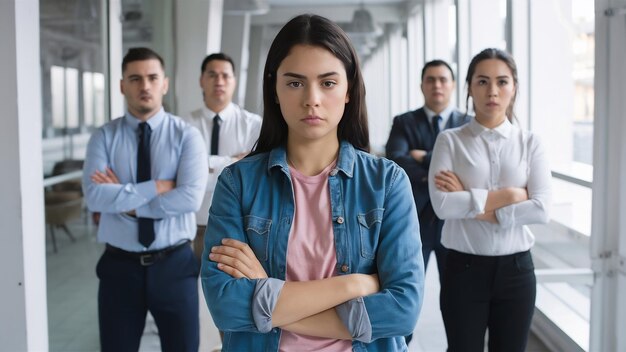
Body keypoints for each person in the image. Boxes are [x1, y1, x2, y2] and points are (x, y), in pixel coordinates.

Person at [201, 14, 424, 352]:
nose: (312, 99)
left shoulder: (387, 183)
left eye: (328, 83)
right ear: (274, 89)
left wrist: (266, 294)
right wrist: (352, 285)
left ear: (349, 90)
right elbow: (226, 306)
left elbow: (402, 312)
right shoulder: (238, 183)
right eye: (295, 83)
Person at [82, 47, 208, 352]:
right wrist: (158, 186)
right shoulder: (104, 137)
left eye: (152, 78)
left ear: (164, 83)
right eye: (135, 78)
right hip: (119, 268)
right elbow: (95, 195)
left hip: (175, 266)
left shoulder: (187, 136)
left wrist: (125, 198)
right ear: (122, 85)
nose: (145, 86)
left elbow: (190, 198)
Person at [428, 48, 551, 351]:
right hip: (463, 270)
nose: (492, 91)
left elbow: (542, 209)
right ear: (469, 87)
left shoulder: (530, 143)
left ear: (514, 87)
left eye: (502, 81)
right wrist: (510, 197)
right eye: (482, 82)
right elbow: (442, 206)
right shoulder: (450, 140)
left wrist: (469, 203)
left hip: (517, 272)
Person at [386, 60, 469, 278]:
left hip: (456, 220)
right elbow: (396, 159)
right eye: (430, 80)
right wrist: (442, 175)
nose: (437, 85)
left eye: (443, 80)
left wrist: (423, 156)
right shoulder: (404, 122)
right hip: (415, 218)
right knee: (408, 285)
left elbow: (467, 167)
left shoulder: (469, 125)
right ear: (421, 85)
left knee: (456, 290)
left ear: (452, 84)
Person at [183, 53, 262, 261]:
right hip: (192, 225)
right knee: (188, 291)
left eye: (225, 76)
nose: (219, 81)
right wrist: (232, 162)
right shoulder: (182, 125)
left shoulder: (253, 125)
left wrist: (199, 166)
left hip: (235, 226)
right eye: (212, 75)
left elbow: (253, 174)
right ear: (201, 80)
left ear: (234, 81)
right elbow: (177, 172)